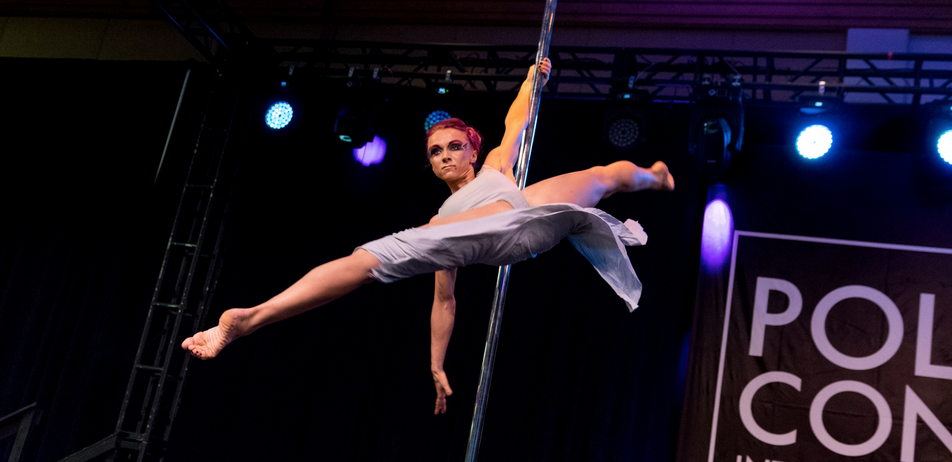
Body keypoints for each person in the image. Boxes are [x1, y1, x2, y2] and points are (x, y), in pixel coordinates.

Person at [181, 58, 674, 415]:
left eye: (454, 146)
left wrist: (531, 79)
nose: (444, 156)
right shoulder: (443, 220)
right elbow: (445, 302)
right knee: (365, 262)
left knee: (604, 176)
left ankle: (654, 174)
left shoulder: (497, 166)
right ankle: (249, 319)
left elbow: (516, 120)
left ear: (472, 151)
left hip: (530, 216)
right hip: (482, 237)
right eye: (436, 151)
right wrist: (437, 364)